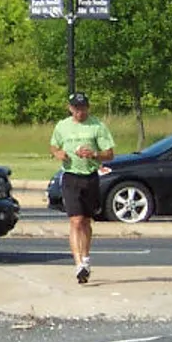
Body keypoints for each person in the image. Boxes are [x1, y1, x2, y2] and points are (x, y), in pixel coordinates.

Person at [49, 91, 115, 284]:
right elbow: (53, 146)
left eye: (83, 108)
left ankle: (86, 258)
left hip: (90, 176)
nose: (80, 112)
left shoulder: (97, 126)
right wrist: (58, 153)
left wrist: (94, 154)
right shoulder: (62, 126)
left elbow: (110, 154)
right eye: (76, 108)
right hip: (70, 176)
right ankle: (78, 265)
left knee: (86, 221)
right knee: (75, 221)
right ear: (70, 108)